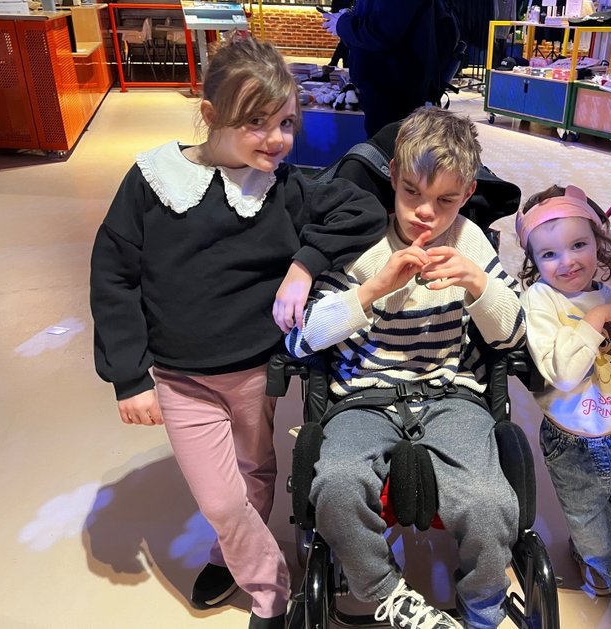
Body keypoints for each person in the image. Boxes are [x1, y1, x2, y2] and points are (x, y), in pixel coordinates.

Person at [89, 37, 387, 629]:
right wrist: (128, 377)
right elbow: (113, 276)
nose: (276, 139)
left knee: (254, 476)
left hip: (256, 372)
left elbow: (364, 212)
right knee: (222, 499)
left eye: (285, 122)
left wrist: (303, 265)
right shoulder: (152, 181)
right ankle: (272, 594)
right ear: (210, 115)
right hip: (179, 378)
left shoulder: (284, 186)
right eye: (256, 123)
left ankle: (231, 557)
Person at [286, 107, 526, 629]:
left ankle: (484, 602)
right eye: (412, 192)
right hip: (364, 396)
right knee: (337, 485)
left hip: (450, 395)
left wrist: (480, 287)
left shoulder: (469, 241)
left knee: (489, 501)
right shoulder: (362, 239)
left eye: (444, 201)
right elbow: (304, 339)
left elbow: (511, 335)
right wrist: (370, 292)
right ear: (392, 177)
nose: (424, 213)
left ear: (465, 195)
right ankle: (383, 591)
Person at [515, 184, 611, 606]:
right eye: (548, 254)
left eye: (578, 245)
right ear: (532, 261)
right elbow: (563, 374)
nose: (567, 261)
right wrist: (599, 318)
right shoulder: (539, 301)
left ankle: (592, 553)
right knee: (587, 515)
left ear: (598, 244)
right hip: (574, 441)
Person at [320, 0, 439, 138]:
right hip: (384, 85)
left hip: (392, 88)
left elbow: (382, 32)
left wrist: (343, 24)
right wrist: (347, 20)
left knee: (387, 149)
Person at [327, 0, 352, 68]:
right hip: (343, 11)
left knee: (344, 41)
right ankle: (343, 62)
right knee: (344, 41)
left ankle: (335, 62)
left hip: (343, 12)